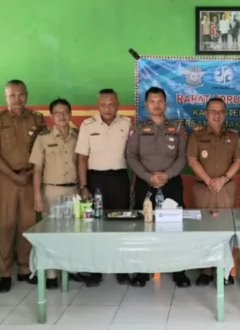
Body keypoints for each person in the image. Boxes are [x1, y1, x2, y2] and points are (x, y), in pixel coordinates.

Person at [0, 79, 47, 293]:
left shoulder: (37, 119)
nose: (17, 99)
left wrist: (29, 174)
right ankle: (4, 272)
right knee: (5, 226)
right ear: (6, 97)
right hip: (6, 179)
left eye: (21, 94)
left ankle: (24, 268)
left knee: (27, 225)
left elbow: (42, 150)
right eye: (12, 95)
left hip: (29, 178)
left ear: (27, 95)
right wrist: (13, 175)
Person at [125, 86, 188, 287]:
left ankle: (179, 271)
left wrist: (167, 175)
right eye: (152, 101)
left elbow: (182, 157)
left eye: (160, 101)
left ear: (165, 103)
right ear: (146, 104)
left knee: (175, 225)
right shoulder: (138, 128)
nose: (156, 105)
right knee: (144, 226)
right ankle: (143, 271)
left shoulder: (177, 128)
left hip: (171, 183)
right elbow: (131, 156)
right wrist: (147, 176)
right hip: (145, 183)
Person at [76, 89, 132, 285]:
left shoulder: (126, 123)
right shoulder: (87, 125)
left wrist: (132, 182)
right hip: (95, 180)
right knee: (95, 225)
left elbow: (133, 156)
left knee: (121, 225)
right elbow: (82, 158)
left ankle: (121, 269)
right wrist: (83, 186)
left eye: (111, 104)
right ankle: (95, 271)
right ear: (98, 106)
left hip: (119, 178)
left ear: (118, 105)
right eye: (103, 105)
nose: (107, 108)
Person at [186, 97, 240, 286]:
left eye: (221, 111)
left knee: (226, 229)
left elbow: (238, 160)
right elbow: (192, 160)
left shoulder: (233, 136)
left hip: (226, 187)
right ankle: (205, 271)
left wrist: (223, 179)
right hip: (204, 188)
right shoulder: (196, 135)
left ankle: (224, 271)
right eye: (213, 111)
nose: (217, 115)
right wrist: (208, 180)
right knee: (205, 228)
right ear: (206, 113)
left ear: (225, 114)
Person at [30, 98, 77, 290]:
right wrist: (37, 196)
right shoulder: (43, 139)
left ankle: (69, 270)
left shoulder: (77, 136)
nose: (62, 116)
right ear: (51, 116)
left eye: (65, 112)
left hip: (74, 191)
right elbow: (37, 170)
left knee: (72, 233)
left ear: (70, 114)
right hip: (51, 191)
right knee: (50, 234)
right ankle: (51, 275)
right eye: (57, 113)